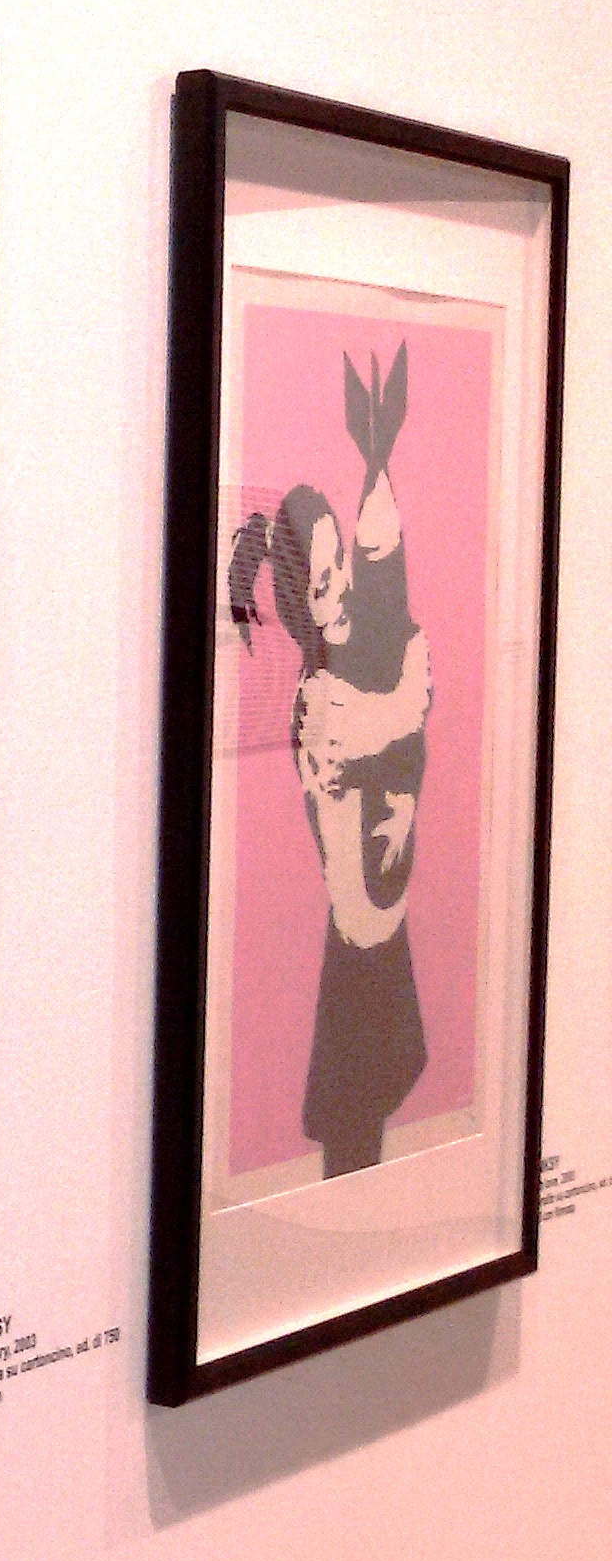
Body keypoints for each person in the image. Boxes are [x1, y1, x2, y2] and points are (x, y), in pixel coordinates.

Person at [225, 345, 432, 1178]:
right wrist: (410, 686)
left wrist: (376, 457)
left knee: (380, 1076)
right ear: (294, 601)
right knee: (358, 1096)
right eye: (317, 581)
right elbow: (398, 710)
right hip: (362, 924)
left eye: (335, 561)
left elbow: (389, 582)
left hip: (382, 915)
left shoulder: (358, 647)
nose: (337, 587)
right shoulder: (319, 702)